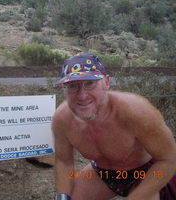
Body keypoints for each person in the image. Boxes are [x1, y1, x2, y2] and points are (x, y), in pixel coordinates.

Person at [52, 53, 176, 200]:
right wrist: (62, 197)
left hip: (146, 171)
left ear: (107, 82)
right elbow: (63, 161)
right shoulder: (62, 119)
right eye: (72, 86)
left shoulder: (137, 111)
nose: (82, 95)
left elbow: (169, 159)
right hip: (103, 172)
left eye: (90, 83)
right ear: (64, 89)